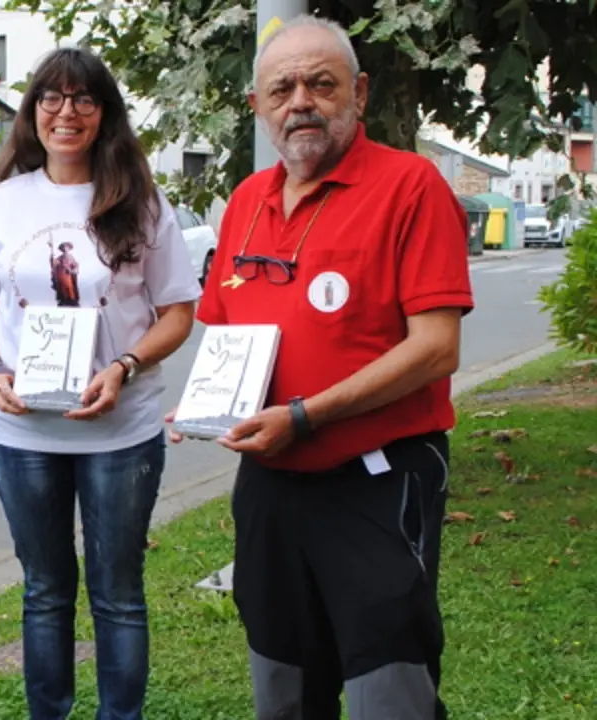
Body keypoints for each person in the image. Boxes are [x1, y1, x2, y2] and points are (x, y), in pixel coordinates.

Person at [167, 15, 474, 720]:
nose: (300, 100)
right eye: (281, 89)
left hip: (378, 479)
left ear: (358, 94)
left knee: (386, 689)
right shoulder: (246, 201)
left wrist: (306, 415)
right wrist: (208, 406)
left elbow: (436, 347)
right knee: (281, 679)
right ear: (258, 108)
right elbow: (226, 333)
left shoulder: (410, 187)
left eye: (320, 83)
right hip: (270, 488)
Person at [0, 47, 202, 720]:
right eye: (51, 98)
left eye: (84, 99)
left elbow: (179, 310)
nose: (66, 113)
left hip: (121, 431)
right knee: (44, 589)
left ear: (105, 114)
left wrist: (124, 367)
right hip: (21, 428)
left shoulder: (140, 202)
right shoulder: (4, 203)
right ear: (33, 110)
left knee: (118, 592)